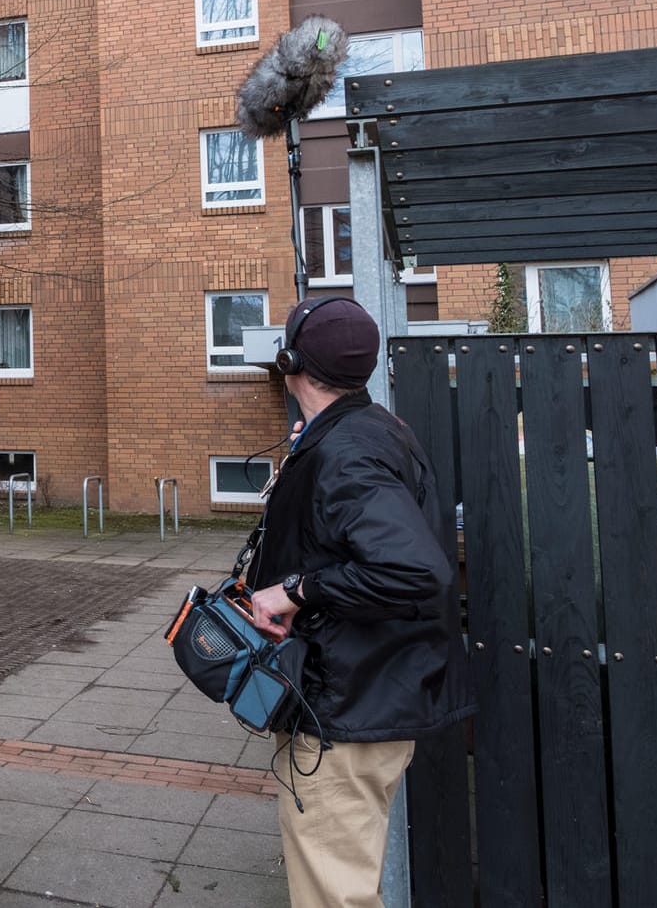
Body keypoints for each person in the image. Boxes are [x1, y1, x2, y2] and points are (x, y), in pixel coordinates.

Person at [246, 295, 474, 908]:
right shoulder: (364, 431)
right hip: (365, 695)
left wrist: (296, 590)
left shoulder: (348, 451)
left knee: (334, 896)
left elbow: (414, 570)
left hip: (344, 712)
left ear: (290, 363)